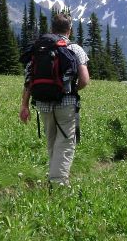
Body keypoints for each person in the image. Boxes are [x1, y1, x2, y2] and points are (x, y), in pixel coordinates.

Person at [19, 13, 90, 187]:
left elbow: (29, 80)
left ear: (52, 28)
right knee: (65, 142)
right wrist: (71, 90)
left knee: (51, 140)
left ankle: (54, 177)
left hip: (42, 102)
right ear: (69, 30)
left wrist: (24, 105)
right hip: (66, 103)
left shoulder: (39, 48)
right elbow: (84, 80)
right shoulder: (74, 48)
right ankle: (57, 185)